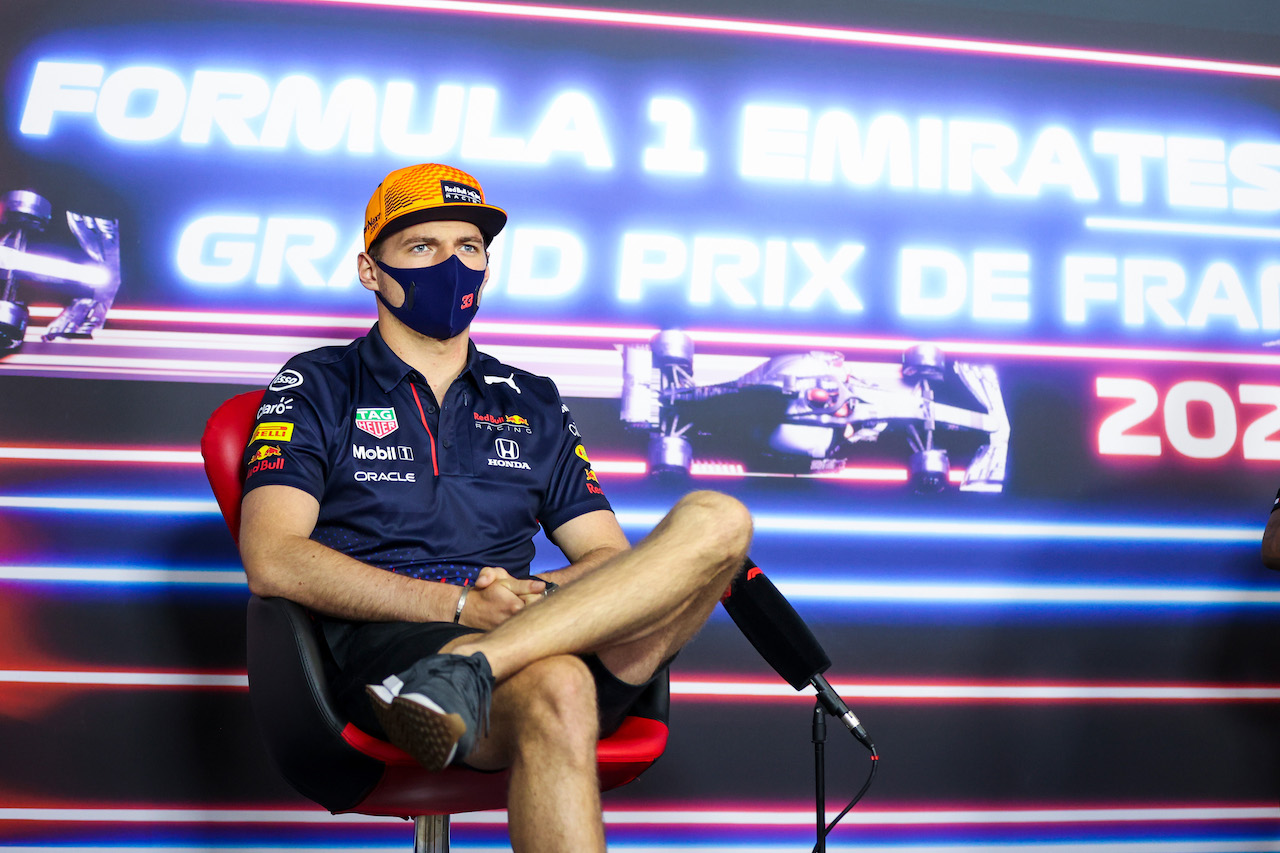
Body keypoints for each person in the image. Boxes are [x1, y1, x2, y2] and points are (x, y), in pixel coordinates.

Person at [237, 163, 753, 852]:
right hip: (397, 654)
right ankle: (465, 664)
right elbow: (272, 557)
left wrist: (526, 596)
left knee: (720, 519)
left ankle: (475, 667)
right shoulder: (314, 382)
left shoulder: (530, 396)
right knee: (560, 685)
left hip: (535, 622)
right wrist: (455, 607)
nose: (453, 265)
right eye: (424, 246)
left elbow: (606, 557)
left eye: (470, 248)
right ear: (369, 268)